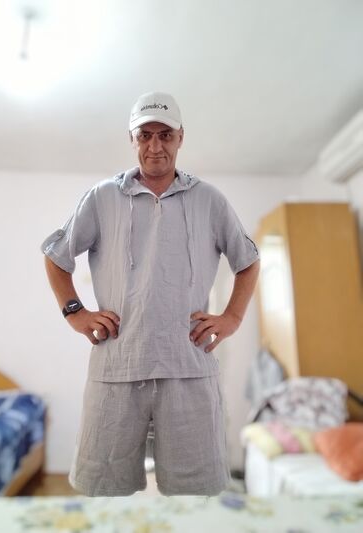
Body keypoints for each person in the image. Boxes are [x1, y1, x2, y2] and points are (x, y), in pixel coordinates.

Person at [41, 91, 260, 497]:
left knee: (195, 494)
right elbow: (56, 256)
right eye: (145, 135)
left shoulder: (209, 200)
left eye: (165, 135)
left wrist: (232, 317)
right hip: (117, 366)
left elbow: (247, 261)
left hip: (188, 366)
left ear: (181, 137)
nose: (155, 146)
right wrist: (75, 312)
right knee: (103, 490)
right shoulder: (102, 197)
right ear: (132, 139)